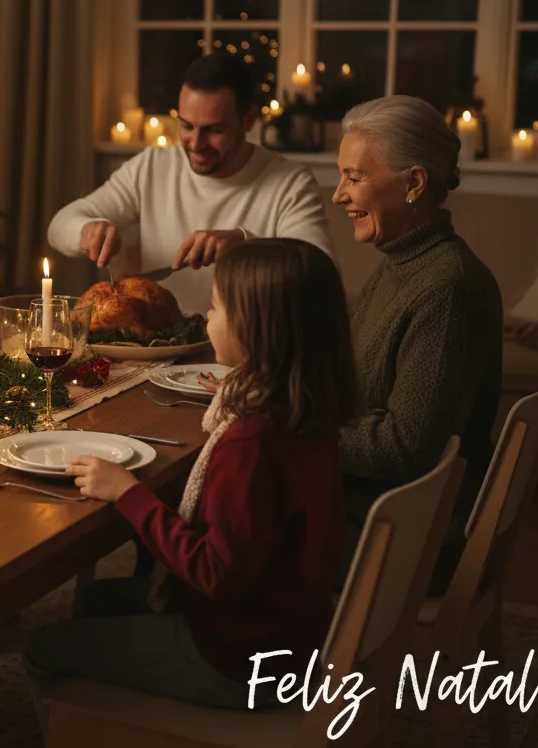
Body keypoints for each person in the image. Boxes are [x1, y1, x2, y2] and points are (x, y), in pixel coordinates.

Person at [27, 239, 356, 726]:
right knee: (96, 603)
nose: (205, 315)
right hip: (287, 630)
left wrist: (128, 492)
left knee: (43, 647)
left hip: (238, 659)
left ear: (257, 327)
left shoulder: (252, 442)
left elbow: (214, 574)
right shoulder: (299, 410)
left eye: (217, 305)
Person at [332, 96, 503, 594]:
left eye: (355, 177)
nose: (339, 195)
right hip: (375, 506)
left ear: (414, 183)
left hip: (405, 535)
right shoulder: (400, 263)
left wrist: (295, 422)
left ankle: (223, 656)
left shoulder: (449, 287)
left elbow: (405, 449)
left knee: (228, 523)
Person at [47, 54, 333, 313]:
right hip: (162, 348)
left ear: (248, 120)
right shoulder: (152, 167)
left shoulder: (290, 182)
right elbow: (59, 225)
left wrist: (244, 244)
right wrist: (88, 229)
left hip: (249, 351)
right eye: (186, 126)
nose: (196, 144)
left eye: (214, 130)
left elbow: (320, 274)